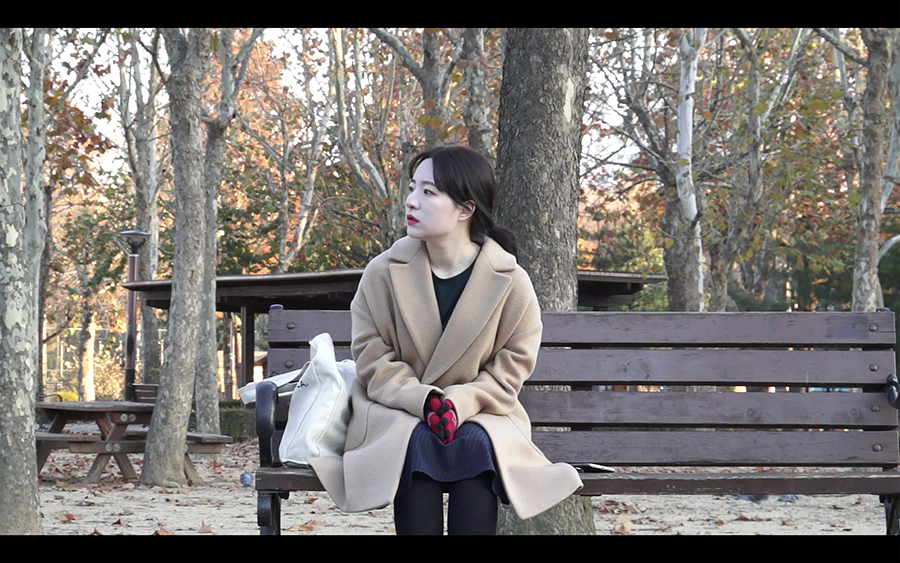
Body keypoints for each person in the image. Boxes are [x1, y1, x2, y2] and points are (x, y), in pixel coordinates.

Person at [309, 145, 583, 535]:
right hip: (398, 410)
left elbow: (511, 367)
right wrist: (424, 401)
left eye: (428, 192)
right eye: (412, 188)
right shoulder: (383, 272)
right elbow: (372, 358)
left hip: (481, 411)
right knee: (416, 438)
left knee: (474, 440)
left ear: (466, 209)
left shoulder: (510, 280)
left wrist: (459, 403)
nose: (411, 201)